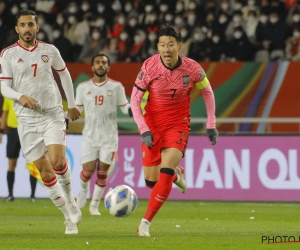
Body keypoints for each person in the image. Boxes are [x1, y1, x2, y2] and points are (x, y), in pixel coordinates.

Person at [130, 23, 218, 237]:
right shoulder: (149, 66)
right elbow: (134, 100)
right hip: (152, 124)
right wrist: (143, 129)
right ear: (157, 47)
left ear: (179, 46)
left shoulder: (193, 68)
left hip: (178, 124)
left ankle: (145, 223)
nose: (166, 49)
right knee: (151, 182)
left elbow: (208, 93)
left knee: (165, 171)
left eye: (170, 45)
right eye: (162, 45)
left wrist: (211, 124)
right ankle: (178, 175)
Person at [0, 9, 82, 235]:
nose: (27, 29)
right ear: (17, 29)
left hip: (52, 113)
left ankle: (71, 201)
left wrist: (71, 104)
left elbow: (64, 75)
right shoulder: (7, 54)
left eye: (31, 25)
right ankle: (68, 218)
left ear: (37, 27)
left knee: (57, 161)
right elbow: (4, 87)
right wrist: (20, 96)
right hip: (26, 120)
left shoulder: (49, 50)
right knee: (45, 173)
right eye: (23, 25)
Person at [76, 54, 131, 215]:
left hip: (109, 137)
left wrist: (130, 111)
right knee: (87, 172)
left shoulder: (116, 87)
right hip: (90, 136)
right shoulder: (82, 87)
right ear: (92, 67)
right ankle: (83, 191)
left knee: (102, 172)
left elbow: (123, 106)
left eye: (104, 63)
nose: (101, 65)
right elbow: (77, 110)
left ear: (108, 67)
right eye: (98, 62)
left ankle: (94, 205)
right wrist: (65, 117)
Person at [0, 97, 37, 202]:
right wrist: (1, 131)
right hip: (12, 131)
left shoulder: (28, 93)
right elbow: (5, 113)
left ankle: (32, 195)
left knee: (31, 163)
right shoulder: (8, 95)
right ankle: (10, 194)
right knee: (11, 164)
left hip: (28, 129)